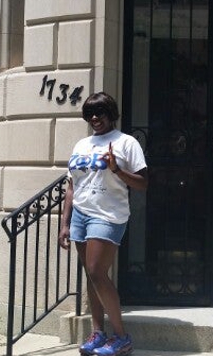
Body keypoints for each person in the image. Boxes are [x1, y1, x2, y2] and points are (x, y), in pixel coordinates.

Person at [58, 92, 148, 356]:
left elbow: (143, 183)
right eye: (91, 114)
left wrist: (117, 170)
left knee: (98, 272)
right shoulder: (81, 145)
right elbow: (71, 187)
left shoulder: (126, 143)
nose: (95, 118)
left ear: (111, 114)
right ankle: (98, 332)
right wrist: (65, 223)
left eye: (101, 112)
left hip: (108, 215)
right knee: (91, 275)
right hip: (80, 215)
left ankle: (122, 337)